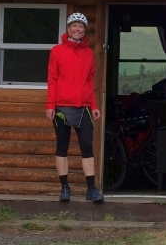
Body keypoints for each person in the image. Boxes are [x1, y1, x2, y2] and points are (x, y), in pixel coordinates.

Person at [46, 12, 104, 203]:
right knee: (62, 147)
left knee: (87, 147)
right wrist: (50, 105)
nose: (78, 29)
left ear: (84, 30)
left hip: (84, 107)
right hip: (61, 107)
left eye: (81, 26)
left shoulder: (88, 53)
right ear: (68, 29)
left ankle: (91, 189)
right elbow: (52, 79)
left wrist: (94, 105)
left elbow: (89, 81)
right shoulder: (57, 51)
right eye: (74, 25)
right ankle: (64, 188)